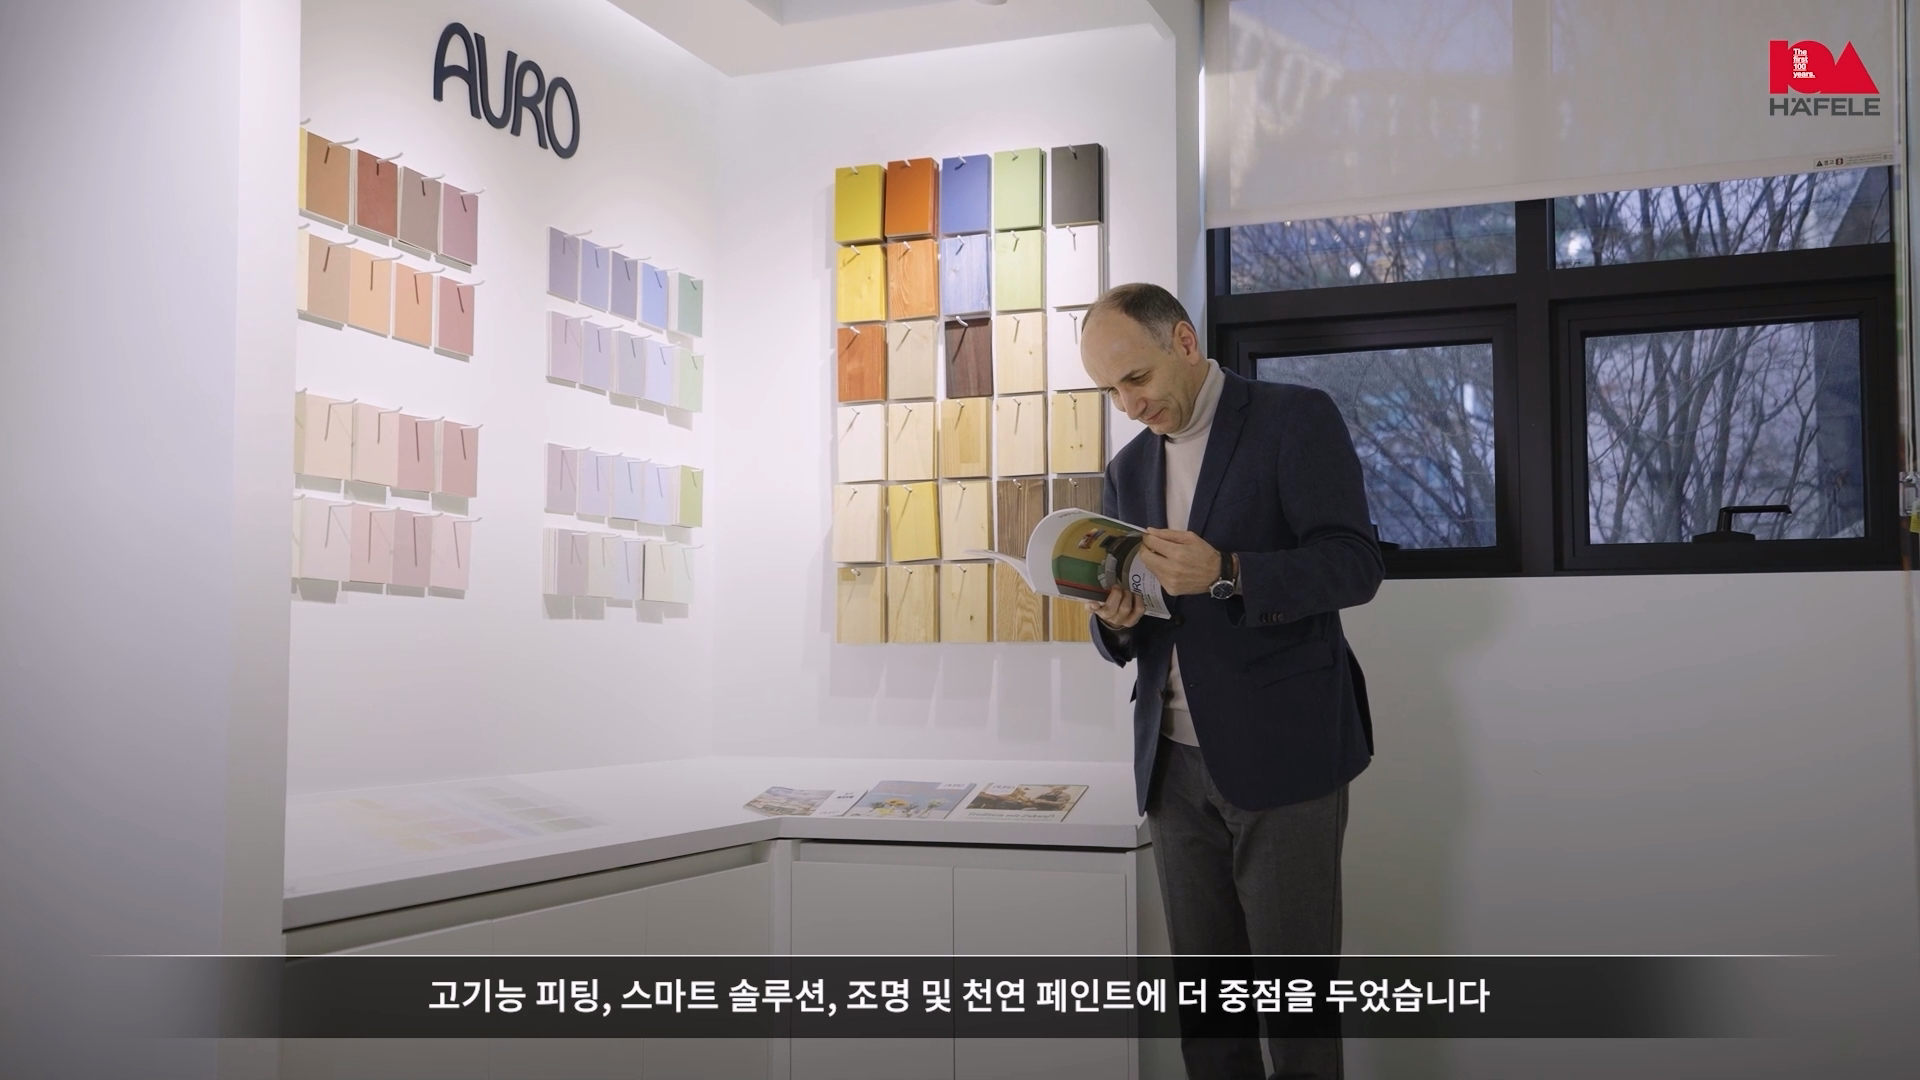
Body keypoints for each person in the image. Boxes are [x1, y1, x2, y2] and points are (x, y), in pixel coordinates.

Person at [1077, 282, 1382, 1080]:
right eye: (1109, 391)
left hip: (1285, 757)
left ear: (1184, 343)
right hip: (1172, 768)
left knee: (1295, 1015)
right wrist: (1115, 618)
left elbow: (1355, 564)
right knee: (1210, 1020)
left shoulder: (1293, 418)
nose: (1129, 405)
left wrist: (1231, 571)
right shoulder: (1128, 468)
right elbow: (1131, 626)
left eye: (1136, 378)